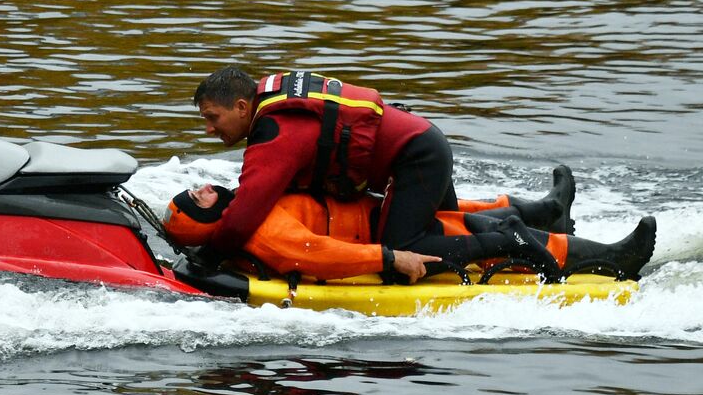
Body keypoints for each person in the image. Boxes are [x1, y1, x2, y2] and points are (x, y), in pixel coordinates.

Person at [192, 67, 573, 270]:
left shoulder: (275, 133)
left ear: (243, 107)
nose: (210, 129)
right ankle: (545, 213)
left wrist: (208, 254)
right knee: (446, 220)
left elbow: (245, 217)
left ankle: (510, 239)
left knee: (404, 247)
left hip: (415, 157)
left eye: (213, 117)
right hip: (423, 141)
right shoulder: (275, 110)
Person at [164, 181, 656, 283]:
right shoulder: (260, 230)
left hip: (380, 218)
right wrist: (388, 258)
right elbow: (318, 254)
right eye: (198, 199)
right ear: (208, 222)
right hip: (388, 241)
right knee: (489, 235)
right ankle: (615, 259)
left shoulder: (250, 205)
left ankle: (554, 217)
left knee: (471, 216)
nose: (203, 187)